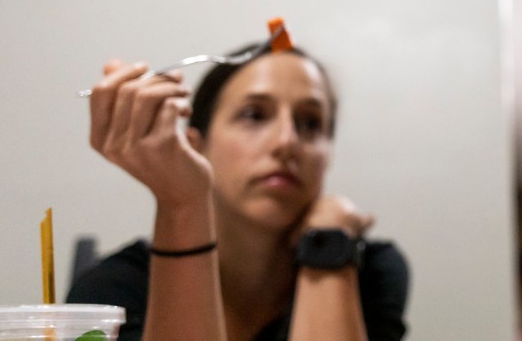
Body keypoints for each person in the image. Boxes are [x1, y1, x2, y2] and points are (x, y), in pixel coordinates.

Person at [69, 41, 409, 340]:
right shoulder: (111, 292)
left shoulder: (368, 271)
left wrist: (327, 246)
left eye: (310, 122)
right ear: (195, 148)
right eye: (254, 115)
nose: (287, 142)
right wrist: (182, 203)